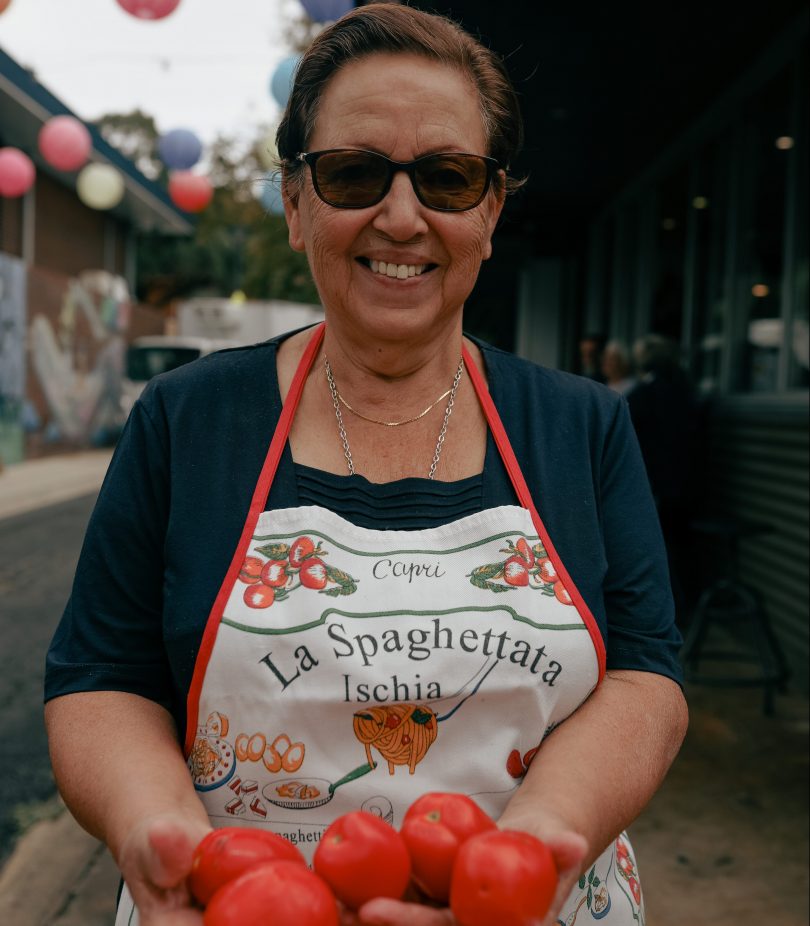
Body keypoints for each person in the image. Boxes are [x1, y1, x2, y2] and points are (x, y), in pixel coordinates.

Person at [44, 6, 688, 925]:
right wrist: (154, 823)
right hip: (239, 904)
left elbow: (645, 676)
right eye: (353, 173)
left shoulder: (581, 427)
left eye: (448, 178)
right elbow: (101, 677)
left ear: (491, 211)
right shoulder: (185, 422)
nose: (400, 216)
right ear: (297, 203)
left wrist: (542, 838)